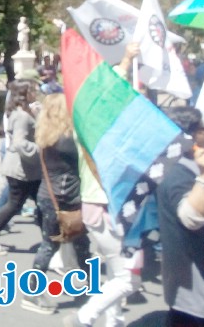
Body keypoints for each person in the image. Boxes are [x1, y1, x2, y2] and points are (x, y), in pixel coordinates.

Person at [157, 107, 204, 326]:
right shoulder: (177, 171)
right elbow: (192, 218)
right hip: (203, 296)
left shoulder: (198, 160)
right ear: (192, 135)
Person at [21, 93, 90, 315]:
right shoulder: (67, 140)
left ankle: (84, 286)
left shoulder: (47, 135)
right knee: (62, 244)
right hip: (65, 197)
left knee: (61, 244)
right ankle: (32, 292)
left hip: (50, 195)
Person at [63, 140, 142, 326]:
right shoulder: (105, 138)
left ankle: (114, 322)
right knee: (129, 280)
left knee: (116, 273)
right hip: (106, 208)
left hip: (96, 205)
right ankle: (83, 317)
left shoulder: (89, 131)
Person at [0, 79, 41, 255]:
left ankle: (52, 239)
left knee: (42, 205)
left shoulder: (26, 111)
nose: (36, 92)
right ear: (24, 94)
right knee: (14, 204)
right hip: (20, 169)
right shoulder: (21, 116)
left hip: (30, 169)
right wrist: (42, 150)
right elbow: (20, 143)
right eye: (33, 90)